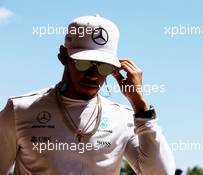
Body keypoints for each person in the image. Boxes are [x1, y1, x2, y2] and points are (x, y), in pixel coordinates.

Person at [0, 15, 175, 175]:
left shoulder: (123, 118)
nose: (93, 74)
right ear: (63, 56)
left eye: (103, 67)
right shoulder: (19, 110)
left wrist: (140, 107)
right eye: (83, 63)